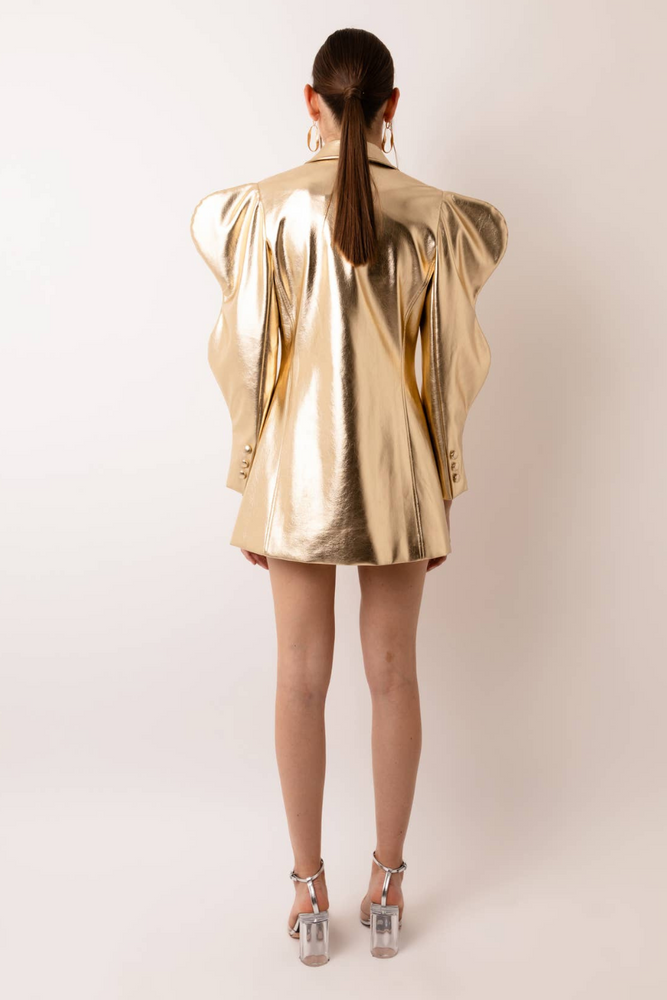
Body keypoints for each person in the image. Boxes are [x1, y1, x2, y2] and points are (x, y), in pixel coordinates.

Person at [190, 27, 508, 965]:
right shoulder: (433, 216)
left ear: (312, 103)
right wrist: (441, 484)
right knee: (394, 673)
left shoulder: (266, 209)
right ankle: (388, 885)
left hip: (294, 474)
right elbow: (449, 366)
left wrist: (252, 472)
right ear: (391, 107)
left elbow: (245, 356)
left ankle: (305, 890)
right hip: (398, 474)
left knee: (298, 675)